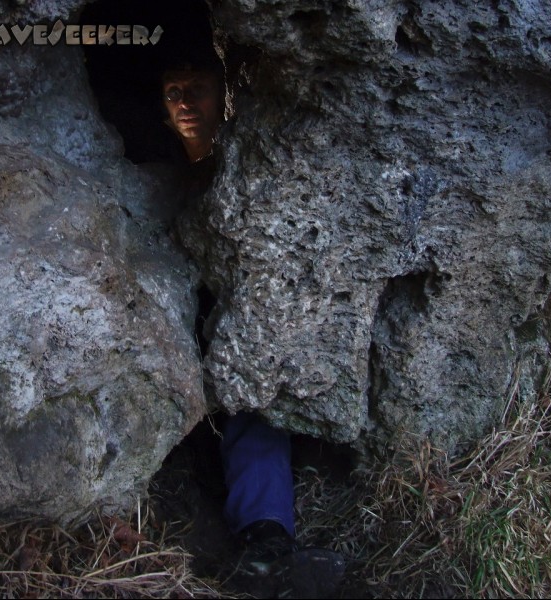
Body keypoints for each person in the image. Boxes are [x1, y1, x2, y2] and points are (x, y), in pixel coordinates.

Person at [160, 61, 344, 598]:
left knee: (253, 397)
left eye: (197, 88)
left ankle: (267, 541)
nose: (185, 101)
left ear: (227, 97)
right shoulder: (152, 177)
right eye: (173, 92)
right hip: (174, 340)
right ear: (162, 113)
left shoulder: (251, 176)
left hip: (243, 344)